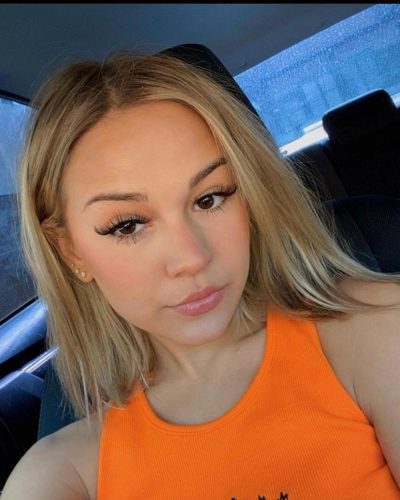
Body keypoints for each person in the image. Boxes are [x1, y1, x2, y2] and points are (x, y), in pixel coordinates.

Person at [2, 50, 400, 500]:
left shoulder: (376, 331)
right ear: (71, 250)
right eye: (127, 225)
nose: (191, 258)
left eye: (210, 198)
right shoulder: (61, 475)